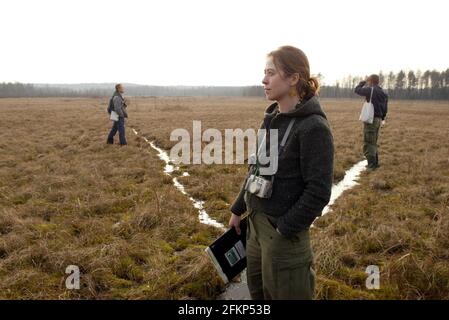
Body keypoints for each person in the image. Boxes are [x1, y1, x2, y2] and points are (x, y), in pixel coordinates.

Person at [228, 46, 334, 300]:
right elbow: (257, 169)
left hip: (283, 235)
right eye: (264, 73)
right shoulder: (272, 118)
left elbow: (318, 192)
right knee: (258, 295)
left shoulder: (313, 127)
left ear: (293, 78)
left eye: (271, 73)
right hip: (254, 226)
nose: (264, 80)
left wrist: (283, 230)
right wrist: (237, 209)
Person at [354, 75, 388, 169]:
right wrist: (383, 118)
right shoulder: (383, 93)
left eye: (368, 81)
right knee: (374, 141)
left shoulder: (370, 90)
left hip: (370, 119)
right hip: (378, 120)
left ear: (371, 81)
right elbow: (385, 108)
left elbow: (357, 90)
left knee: (369, 142)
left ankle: (371, 165)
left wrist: (362, 82)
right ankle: (375, 163)